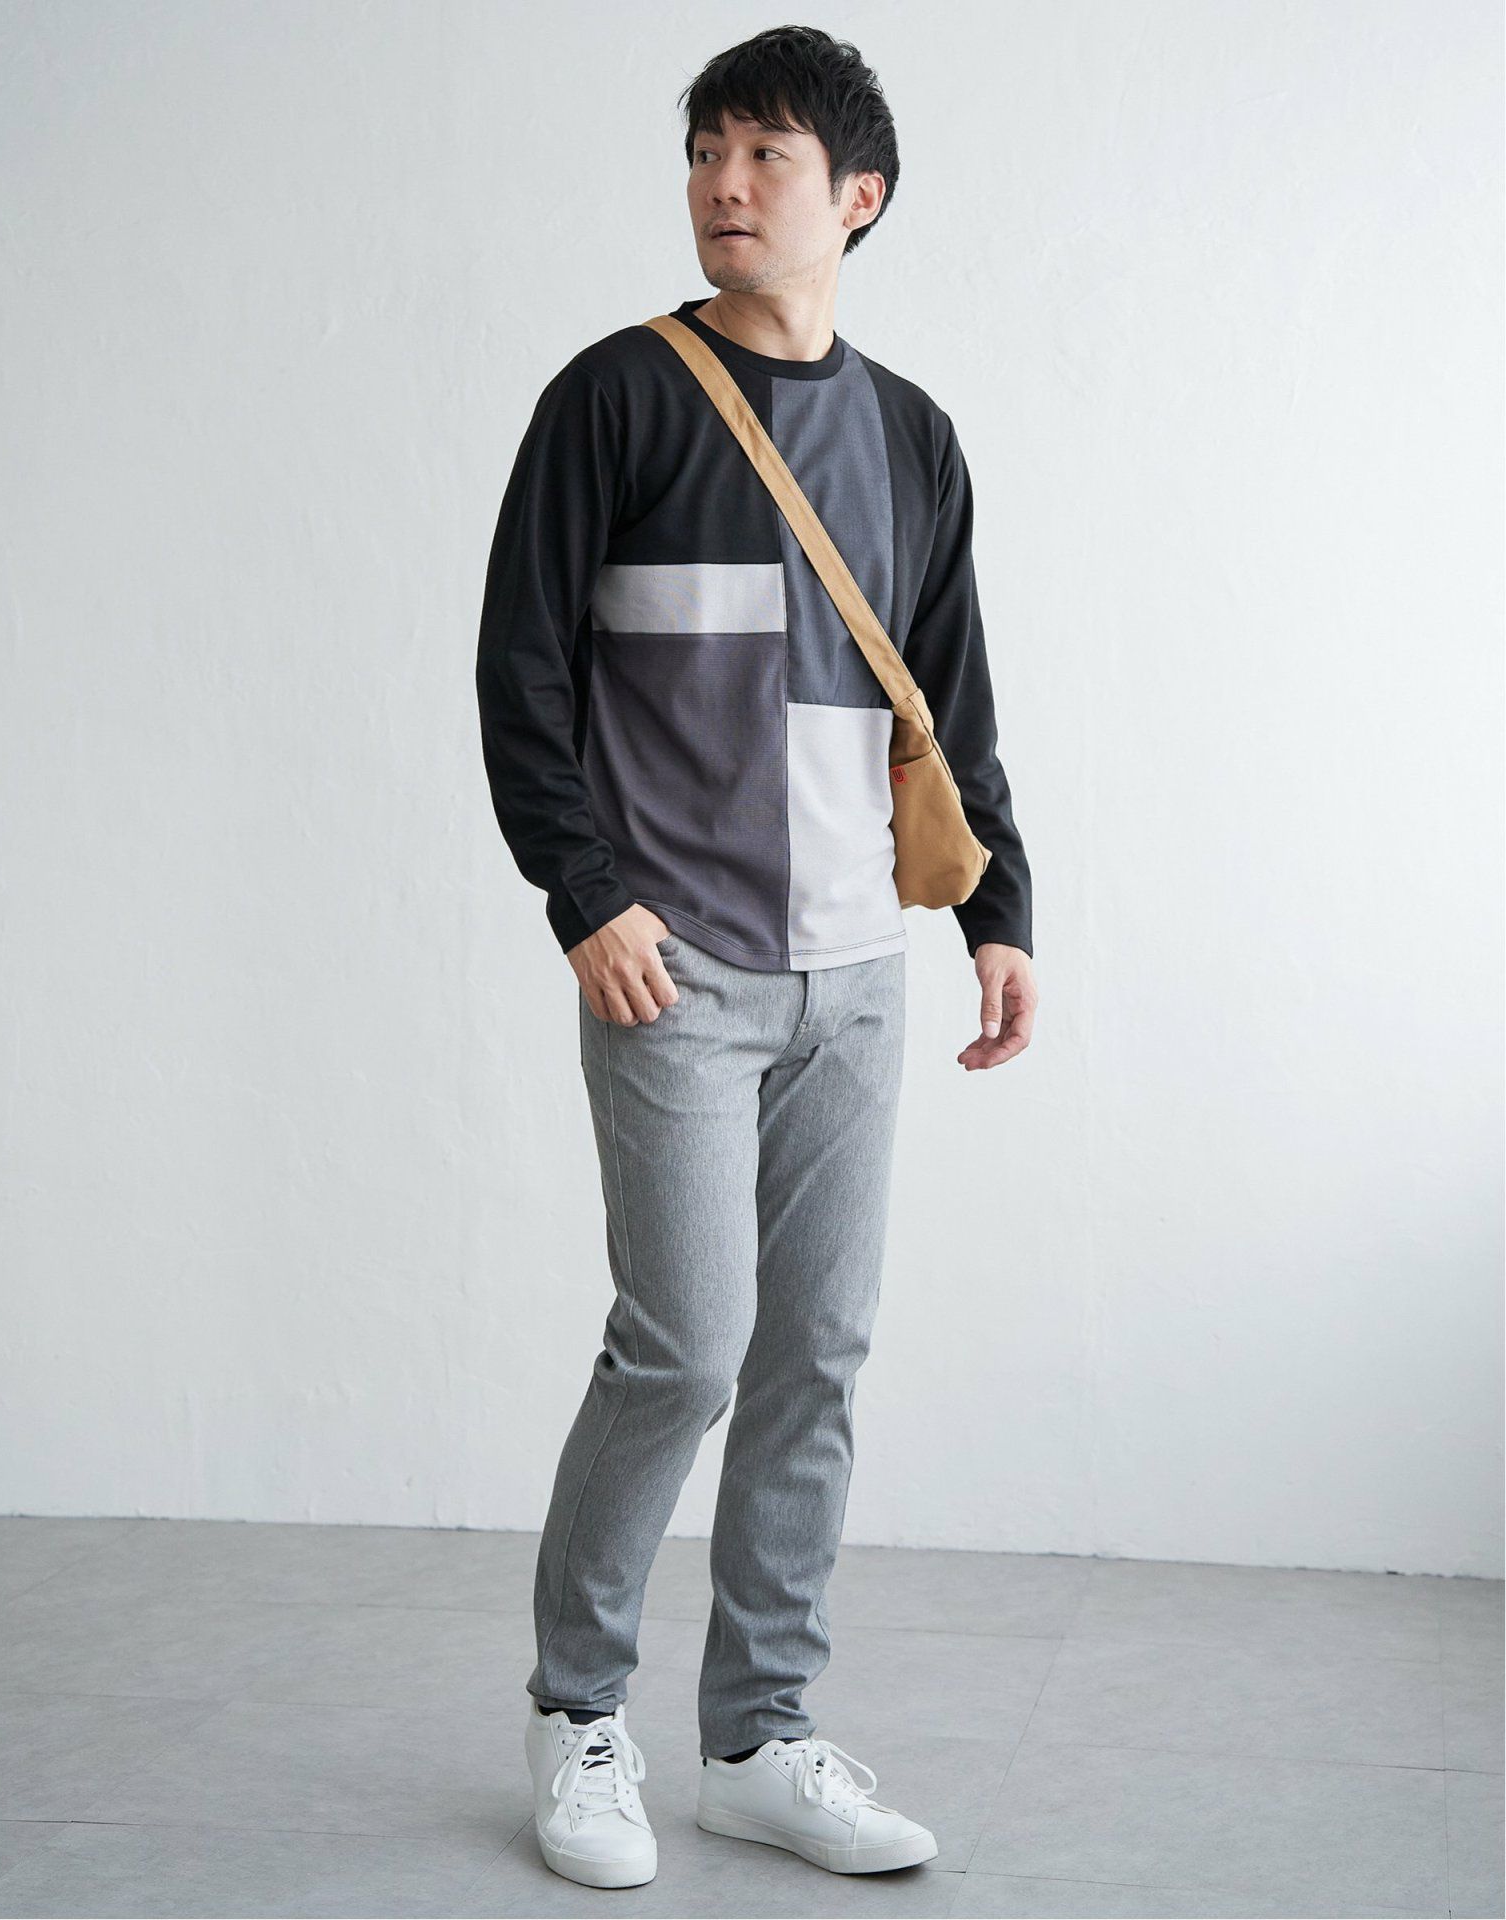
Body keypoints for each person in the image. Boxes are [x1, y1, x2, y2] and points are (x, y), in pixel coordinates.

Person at [474, 23, 1037, 1890]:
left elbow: (948, 698)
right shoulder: (616, 398)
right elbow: (521, 669)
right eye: (705, 151)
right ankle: (579, 1713)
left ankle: (760, 1737)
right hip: (678, 969)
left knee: (817, 1353)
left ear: (857, 196)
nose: (723, 184)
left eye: (765, 154)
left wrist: (1002, 916)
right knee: (685, 1348)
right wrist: (585, 895)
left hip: (857, 971)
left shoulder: (913, 437)